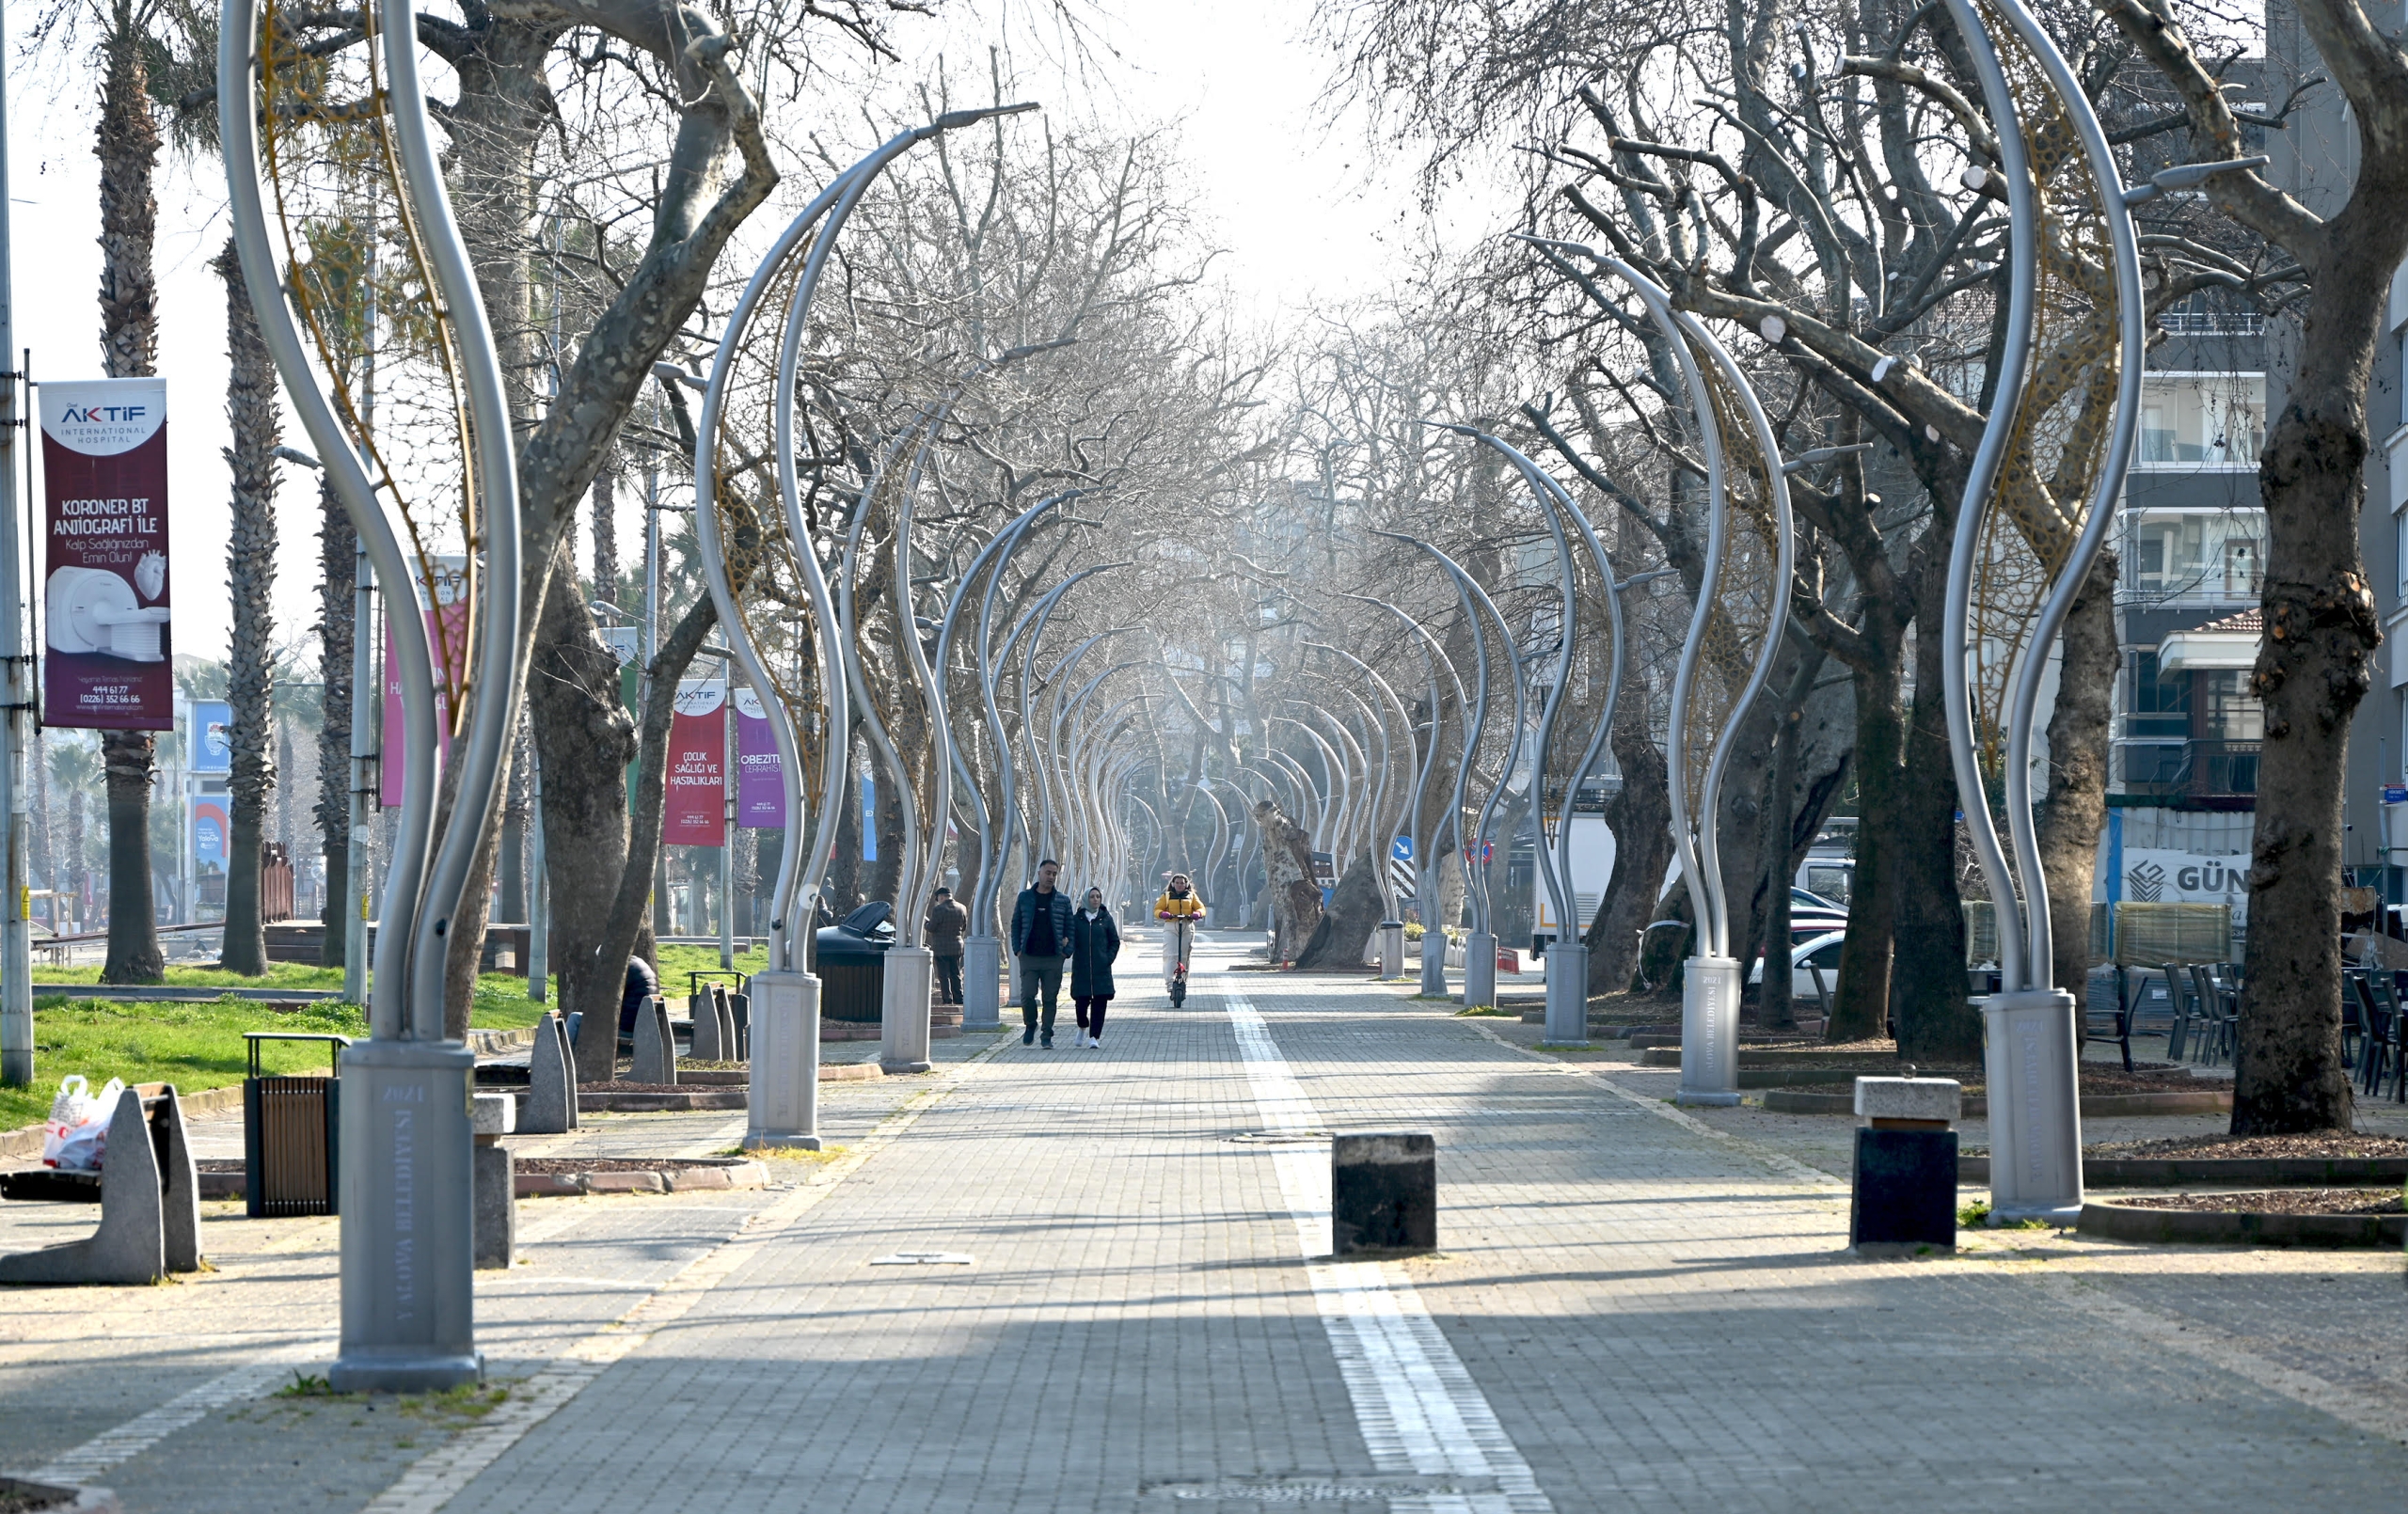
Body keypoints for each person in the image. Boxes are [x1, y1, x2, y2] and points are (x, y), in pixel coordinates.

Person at [1009, 859, 1074, 1047]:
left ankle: (1047, 1035)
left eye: (1054, 874)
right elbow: (1016, 925)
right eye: (1048, 873)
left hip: (1054, 958)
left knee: (1050, 998)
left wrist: (1066, 952)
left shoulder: (1062, 900)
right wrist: (1018, 949)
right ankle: (1030, 1024)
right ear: (1039, 873)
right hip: (1028, 956)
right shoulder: (1025, 898)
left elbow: (1070, 928)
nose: (1051, 877)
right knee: (1028, 995)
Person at [1069, 886, 1120, 1049]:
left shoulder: (1105, 919)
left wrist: (1107, 958)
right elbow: (1071, 939)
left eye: (1098, 896)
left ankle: (1094, 1037)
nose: (1096, 899)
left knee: (1100, 1004)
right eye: (1092, 897)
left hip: (1101, 970)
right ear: (1086, 899)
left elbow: (1114, 941)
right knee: (1081, 1005)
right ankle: (1082, 1026)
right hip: (1082, 969)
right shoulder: (1077, 919)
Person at [1155, 874, 1205, 996]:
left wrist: (1198, 913)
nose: (1179, 885)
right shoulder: (1167, 896)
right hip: (1171, 926)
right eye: (1177, 883)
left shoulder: (1191, 896)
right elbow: (1157, 909)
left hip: (1187, 926)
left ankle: (1183, 980)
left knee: (1184, 956)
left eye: (1182, 883)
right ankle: (1170, 982)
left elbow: (1201, 908)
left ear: (1186, 884)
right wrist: (1162, 914)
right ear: (1172, 884)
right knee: (1170, 955)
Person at [925, 887, 969, 1004]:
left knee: (943, 975)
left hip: (941, 946)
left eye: (938, 898)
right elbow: (964, 927)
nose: (938, 901)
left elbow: (932, 927)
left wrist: (926, 923)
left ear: (942, 897)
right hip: (957, 946)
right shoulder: (962, 908)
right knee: (956, 972)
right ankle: (959, 998)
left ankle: (947, 999)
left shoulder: (938, 909)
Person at [618, 954, 659, 1036]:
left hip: (629, 1024)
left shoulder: (624, 969)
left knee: (587, 1021)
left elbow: (612, 997)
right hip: (644, 1019)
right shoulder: (638, 962)